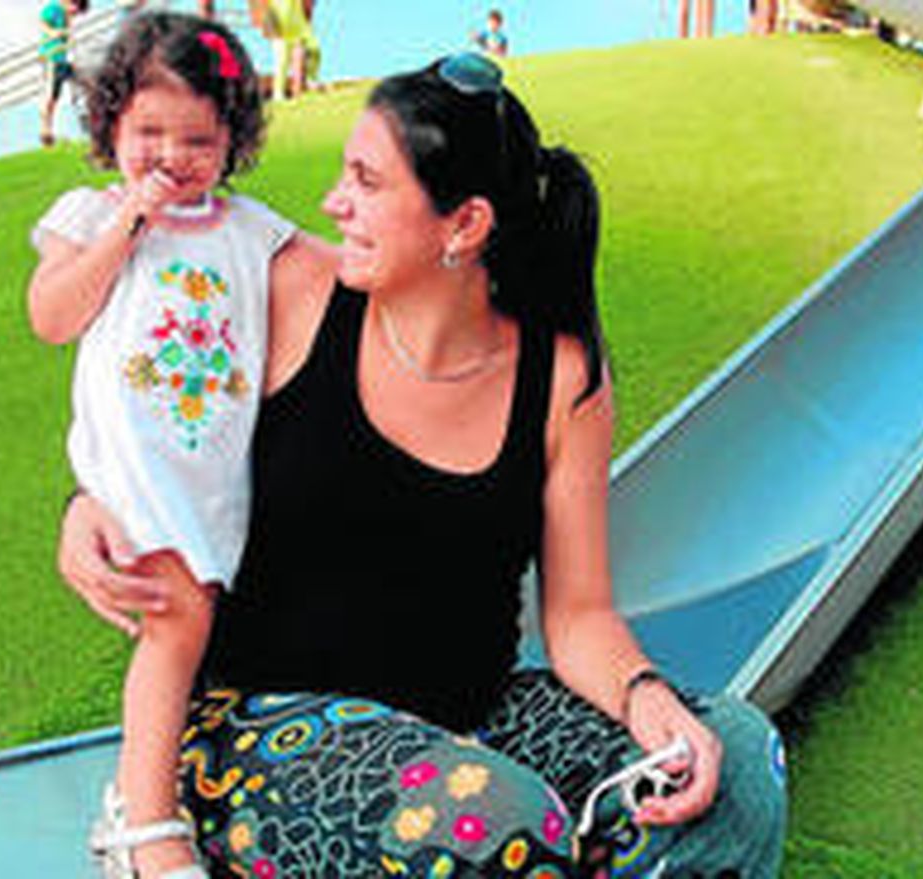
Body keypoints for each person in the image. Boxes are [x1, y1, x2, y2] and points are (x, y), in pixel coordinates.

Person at [57, 51, 788, 876]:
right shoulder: (286, 289)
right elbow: (141, 393)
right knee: (490, 821)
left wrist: (645, 695)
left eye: (367, 182)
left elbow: (579, 616)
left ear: (465, 225)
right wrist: (90, 503)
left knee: (733, 759)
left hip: (469, 724)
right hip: (251, 731)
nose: (335, 202)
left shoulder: (563, 377)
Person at [27, 11, 312, 878]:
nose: (170, 156)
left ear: (233, 140)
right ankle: (144, 825)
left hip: (212, 474)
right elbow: (52, 317)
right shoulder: (90, 213)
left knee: (192, 623)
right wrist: (127, 225)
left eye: (199, 138)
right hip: (132, 472)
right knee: (177, 623)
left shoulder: (249, 226)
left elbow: (342, 270)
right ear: (111, 124)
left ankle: (149, 793)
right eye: (148, 131)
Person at [39, 0, 90, 147]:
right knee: (52, 95)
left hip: (65, 58)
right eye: (76, 10)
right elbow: (43, 23)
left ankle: (86, 121)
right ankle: (46, 132)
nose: (75, 14)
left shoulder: (67, 16)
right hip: (52, 57)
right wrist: (54, 33)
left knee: (83, 87)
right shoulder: (53, 8)